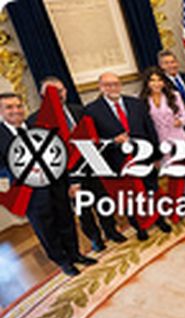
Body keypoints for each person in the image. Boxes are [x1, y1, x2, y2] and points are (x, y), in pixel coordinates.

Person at [0, 92, 97, 276]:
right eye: (9, 107)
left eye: (18, 106)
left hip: (57, 184)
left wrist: (71, 181)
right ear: (1, 111)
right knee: (46, 229)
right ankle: (63, 261)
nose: (16, 110)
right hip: (30, 192)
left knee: (66, 220)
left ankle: (75, 254)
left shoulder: (39, 126)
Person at [29, 77, 115, 252]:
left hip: (91, 166)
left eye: (60, 91)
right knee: (83, 210)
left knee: (102, 200)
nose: (58, 95)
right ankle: (95, 238)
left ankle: (111, 231)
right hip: (67, 174)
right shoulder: (34, 121)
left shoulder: (79, 110)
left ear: (66, 91)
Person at [85, 72, 172, 241]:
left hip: (144, 156)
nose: (113, 88)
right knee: (130, 196)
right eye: (108, 85)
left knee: (152, 190)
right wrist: (113, 141)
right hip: (118, 161)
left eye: (116, 84)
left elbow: (150, 129)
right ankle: (139, 227)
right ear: (101, 87)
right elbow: (93, 140)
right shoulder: (92, 110)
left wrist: (156, 155)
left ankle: (159, 219)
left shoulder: (136, 103)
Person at [140, 67, 185, 202]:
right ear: (147, 83)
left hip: (179, 139)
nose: (156, 83)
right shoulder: (142, 100)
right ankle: (178, 202)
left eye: (159, 80)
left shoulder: (174, 95)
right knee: (172, 175)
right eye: (152, 80)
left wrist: (180, 121)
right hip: (161, 143)